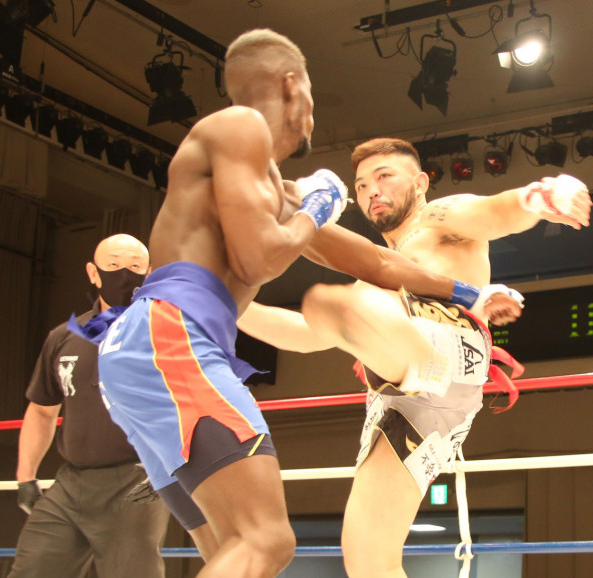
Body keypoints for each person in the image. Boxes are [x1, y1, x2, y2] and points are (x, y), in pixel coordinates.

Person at [89, 29, 521, 578]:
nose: (314, 116)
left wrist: (470, 294)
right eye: (312, 94)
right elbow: (258, 260)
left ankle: (419, 360)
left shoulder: (268, 188)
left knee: (231, 550)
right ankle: (419, 362)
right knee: (267, 542)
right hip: (173, 339)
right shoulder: (240, 127)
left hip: (140, 354)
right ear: (293, 87)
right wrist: (315, 208)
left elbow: (378, 264)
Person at [237, 137, 592, 578]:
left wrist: (536, 198)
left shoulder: (436, 217)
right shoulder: (376, 275)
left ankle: (422, 359)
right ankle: (416, 363)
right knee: (368, 560)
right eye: (361, 185)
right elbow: (307, 336)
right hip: (403, 400)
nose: (372, 190)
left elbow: (491, 212)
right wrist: (230, 307)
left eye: (384, 176)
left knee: (340, 303)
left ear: (421, 182)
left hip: (449, 346)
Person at [8, 234, 171, 578]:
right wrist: (26, 477)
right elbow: (41, 409)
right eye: (113, 265)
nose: (123, 274)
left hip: (136, 479)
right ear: (93, 272)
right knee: (32, 568)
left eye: (135, 266)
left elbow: (197, 405)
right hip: (71, 482)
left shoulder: (169, 332)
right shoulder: (66, 336)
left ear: (149, 273)